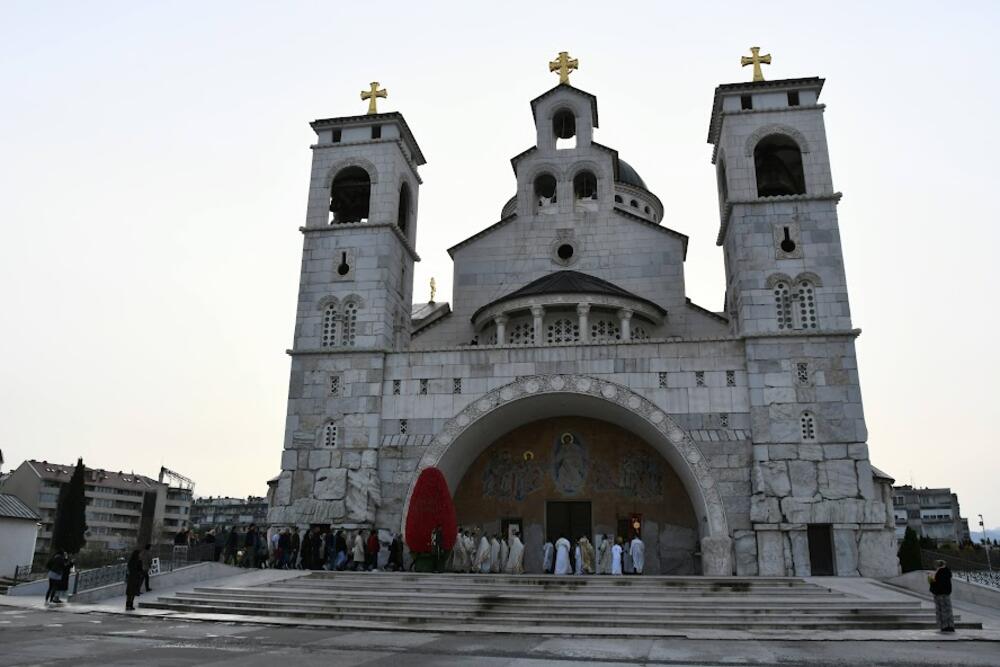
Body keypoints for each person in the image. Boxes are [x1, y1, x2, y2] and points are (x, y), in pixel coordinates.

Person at [930, 559, 955, 633]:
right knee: (948, 610)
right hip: (946, 593)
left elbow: (936, 583)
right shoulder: (947, 572)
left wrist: (932, 583)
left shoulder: (939, 572)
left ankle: (944, 626)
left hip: (939, 593)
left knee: (942, 610)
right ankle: (950, 625)